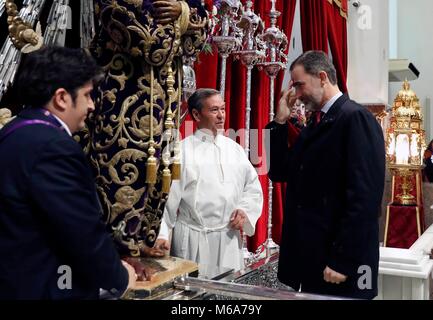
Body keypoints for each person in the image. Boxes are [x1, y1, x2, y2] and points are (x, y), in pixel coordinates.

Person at [0, 46, 136, 299]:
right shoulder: (53, 147)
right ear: (62, 98)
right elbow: (81, 231)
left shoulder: (14, 131)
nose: (92, 105)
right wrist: (119, 277)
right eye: (87, 95)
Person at [81, 0, 209, 256]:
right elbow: (151, 44)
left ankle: (140, 239)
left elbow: (200, 35)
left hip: (164, 109)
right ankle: (116, 251)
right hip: (121, 105)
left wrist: (182, 12)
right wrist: (185, 22)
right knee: (123, 174)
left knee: (159, 175)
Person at [266, 51, 385, 299]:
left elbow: (364, 200)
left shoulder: (355, 118)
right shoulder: (317, 122)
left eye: (300, 85)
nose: (296, 95)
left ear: (322, 77)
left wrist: (343, 260)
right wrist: (279, 122)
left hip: (341, 264)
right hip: (314, 260)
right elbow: (279, 172)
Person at [155, 88, 263, 277]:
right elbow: (166, 202)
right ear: (196, 114)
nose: (221, 116)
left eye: (223, 109)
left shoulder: (234, 149)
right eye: (214, 110)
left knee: (228, 297)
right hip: (193, 241)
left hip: (228, 238)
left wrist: (244, 210)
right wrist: (162, 235)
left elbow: (252, 188)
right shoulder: (182, 152)